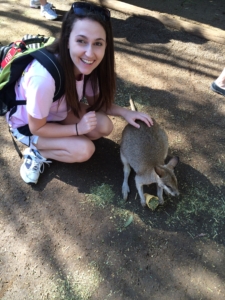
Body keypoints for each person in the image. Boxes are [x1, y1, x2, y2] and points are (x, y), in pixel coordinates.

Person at [6, 1, 153, 185]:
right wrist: (77, 129)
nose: (90, 53)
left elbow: (97, 104)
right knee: (84, 150)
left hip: (57, 111)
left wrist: (126, 112)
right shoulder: (43, 79)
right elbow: (37, 127)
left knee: (104, 126)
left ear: (106, 45)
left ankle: (62, 140)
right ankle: (37, 152)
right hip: (28, 125)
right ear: (67, 39)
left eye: (98, 43)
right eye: (81, 41)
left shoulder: (87, 67)